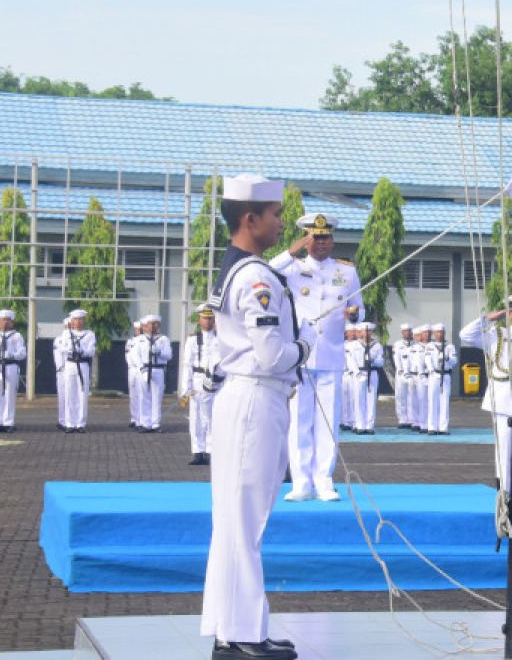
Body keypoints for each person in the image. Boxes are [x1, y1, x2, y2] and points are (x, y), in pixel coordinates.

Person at [200, 173, 309, 660]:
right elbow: (269, 354)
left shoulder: (237, 268)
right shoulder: (258, 277)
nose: (281, 223)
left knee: (233, 519)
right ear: (251, 219)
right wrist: (302, 348)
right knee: (246, 519)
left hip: (240, 399)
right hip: (255, 399)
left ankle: (232, 626)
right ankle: (244, 633)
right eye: (275, 215)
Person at [269, 212, 362, 503]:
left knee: (328, 422)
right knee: (300, 420)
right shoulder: (292, 267)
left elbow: (359, 308)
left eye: (325, 237)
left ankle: (324, 480)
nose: (320, 243)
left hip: (332, 355)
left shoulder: (346, 272)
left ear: (332, 239)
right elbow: (266, 270)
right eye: (315, 237)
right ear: (306, 238)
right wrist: (292, 250)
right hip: (301, 356)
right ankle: (301, 482)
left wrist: (355, 314)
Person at [459, 291, 512, 494]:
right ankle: (504, 492)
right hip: (504, 401)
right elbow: (465, 335)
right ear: (511, 313)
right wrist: (489, 318)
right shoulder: (497, 335)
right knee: (505, 449)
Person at [181, 304, 219, 465]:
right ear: (199, 320)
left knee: (213, 417)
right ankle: (198, 451)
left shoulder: (220, 339)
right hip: (197, 381)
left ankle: (211, 451)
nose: (208, 321)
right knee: (196, 418)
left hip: (215, 382)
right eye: (205, 318)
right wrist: (186, 388)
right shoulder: (192, 340)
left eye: (210, 318)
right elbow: (187, 364)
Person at [0, 309, 26, 433]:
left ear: (12, 322)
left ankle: (8, 422)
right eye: (3, 320)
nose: (5, 323)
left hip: (10, 366)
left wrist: (12, 355)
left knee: (9, 394)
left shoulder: (17, 336)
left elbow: (22, 353)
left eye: (8, 320)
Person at [56, 309, 96, 434]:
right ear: (71, 321)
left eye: (80, 319)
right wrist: (69, 348)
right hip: (70, 364)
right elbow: (61, 348)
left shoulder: (89, 334)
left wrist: (82, 350)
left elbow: (91, 351)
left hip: (83, 364)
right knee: (69, 394)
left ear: (84, 321)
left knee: (82, 394)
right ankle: (69, 423)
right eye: (75, 319)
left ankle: (81, 423)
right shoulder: (66, 334)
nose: (78, 322)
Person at [134, 314, 172, 433]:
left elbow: (169, 355)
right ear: (145, 326)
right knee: (144, 397)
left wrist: (159, 352)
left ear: (159, 325)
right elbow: (136, 356)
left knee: (157, 397)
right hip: (144, 369)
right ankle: (145, 423)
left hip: (158, 369)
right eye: (150, 324)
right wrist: (142, 369)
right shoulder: (139, 340)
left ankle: (155, 423)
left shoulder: (163, 339)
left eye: (155, 324)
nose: (153, 326)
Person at [351, 321, 383, 434]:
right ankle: (360, 425)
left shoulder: (377, 345)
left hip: (372, 373)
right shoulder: (354, 345)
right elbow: (352, 361)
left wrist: (373, 362)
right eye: (365, 331)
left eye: (369, 331)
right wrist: (357, 373)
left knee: (371, 400)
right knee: (359, 400)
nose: (367, 333)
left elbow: (381, 361)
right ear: (361, 332)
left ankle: (370, 425)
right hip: (359, 373)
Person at [425, 323, 457, 435]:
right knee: (432, 401)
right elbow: (427, 360)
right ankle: (432, 427)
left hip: (446, 375)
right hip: (434, 375)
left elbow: (454, 361)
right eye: (438, 332)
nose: (440, 334)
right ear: (434, 333)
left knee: (444, 402)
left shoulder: (450, 346)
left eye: (442, 332)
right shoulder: (430, 346)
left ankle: (443, 427)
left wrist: (447, 358)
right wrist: (432, 371)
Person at [391, 323, 414, 428]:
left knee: (412, 397)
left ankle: (411, 419)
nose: (407, 333)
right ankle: (402, 419)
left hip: (412, 374)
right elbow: (397, 359)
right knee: (400, 397)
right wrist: (401, 370)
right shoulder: (398, 344)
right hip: (401, 374)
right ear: (402, 333)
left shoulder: (415, 344)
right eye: (405, 331)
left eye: (409, 331)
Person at [126, 321, 143, 428]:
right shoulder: (130, 341)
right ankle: (134, 418)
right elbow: (127, 354)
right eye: (137, 329)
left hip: (140, 369)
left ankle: (140, 419)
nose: (139, 331)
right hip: (131, 369)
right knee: (133, 395)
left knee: (141, 394)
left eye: (140, 329)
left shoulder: (144, 340)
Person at [53, 317, 69, 430]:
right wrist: (61, 368)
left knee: (73, 397)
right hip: (63, 371)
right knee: (63, 397)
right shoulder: (59, 339)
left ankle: (71, 420)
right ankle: (63, 420)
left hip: (73, 370)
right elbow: (59, 357)